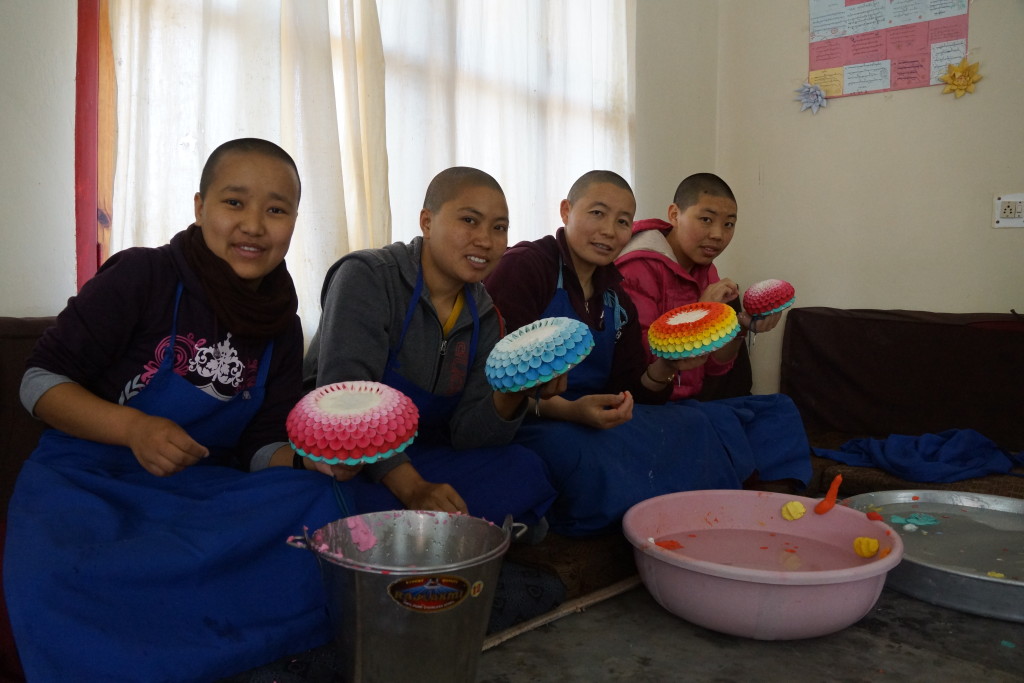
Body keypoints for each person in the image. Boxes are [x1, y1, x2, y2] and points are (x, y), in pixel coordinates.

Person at [4, 139, 350, 681]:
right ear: (199, 207)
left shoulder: (282, 323)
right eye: (234, 203)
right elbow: (37, 382)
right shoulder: (143, 276)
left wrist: (312, 461)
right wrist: (132, 427)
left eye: (276, 209)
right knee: (61, 573)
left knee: (323, 500)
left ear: (294, 221)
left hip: (198, 491)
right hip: (88, 481)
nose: (254, 225)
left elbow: (260, 447)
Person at [484, 171, 811, 537]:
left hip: (599, 414)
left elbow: (632, 389)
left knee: (695, 425)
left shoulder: (614, 295)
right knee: (577, 451)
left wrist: (667, 366)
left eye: (623, 221)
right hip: (533, 417)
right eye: (597, 213)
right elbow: (493, 381)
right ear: (566, 210)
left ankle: (731, 516)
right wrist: (568, 409)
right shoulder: (530, 266)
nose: (609, 230)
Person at [303, 167, 558, 527]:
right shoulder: (368, 277)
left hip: (424, 452)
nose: (485, 240)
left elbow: (468, 436)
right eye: (470, 220)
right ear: (427, 221)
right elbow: (347, 413)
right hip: (347, 459)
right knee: (324, 497)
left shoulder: (485, 316)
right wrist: (414, 489)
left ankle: (421, 531)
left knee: (524, 467)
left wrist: (513, 392)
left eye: (499, 228)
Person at [616, 172, 781, 400]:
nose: (718, 235)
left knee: (779, 408)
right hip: (647, 402)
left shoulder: (706, 269)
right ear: (675, 215)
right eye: (706, 220)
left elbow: (714, 366)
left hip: (692, 401)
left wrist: (741, 327)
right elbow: (645, 359)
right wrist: (701, 315)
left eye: (729, 224)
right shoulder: (638, 268)